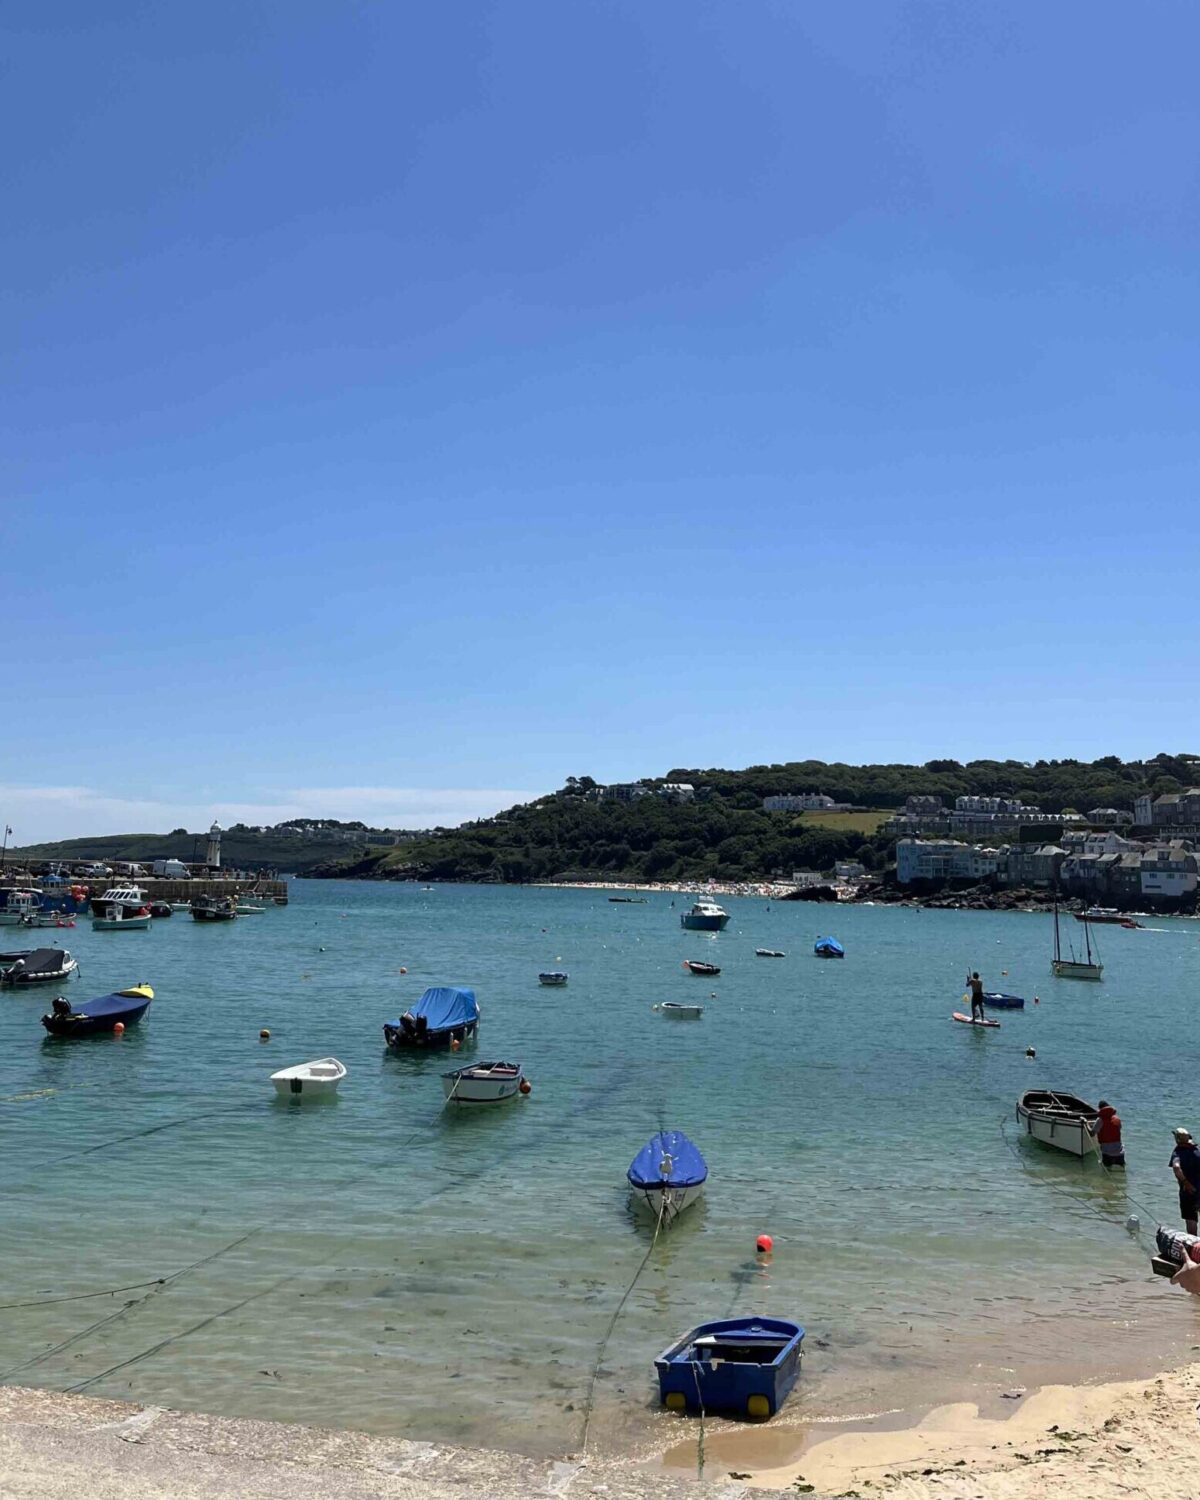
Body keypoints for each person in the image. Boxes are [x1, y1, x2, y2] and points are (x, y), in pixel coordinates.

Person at [1170, 1128, 1200, 1235]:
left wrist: (1186, 1183)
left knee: (1191, 1221)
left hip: (1188, 1191)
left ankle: (1194, 1248)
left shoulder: (1177, 1153)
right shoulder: (1196, 1150)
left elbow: (1176, 1168)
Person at [1090, 1100, 1125, 1169]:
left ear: (1100, 1109)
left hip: (1107, 1153)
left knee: (1106, 1170)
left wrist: (1084, 1122)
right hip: (1120, 1153)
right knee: (1122, 1171)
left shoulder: (1100, 1120)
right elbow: (1118, 1128)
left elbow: (1092, 1133)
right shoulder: (1117, 1118)